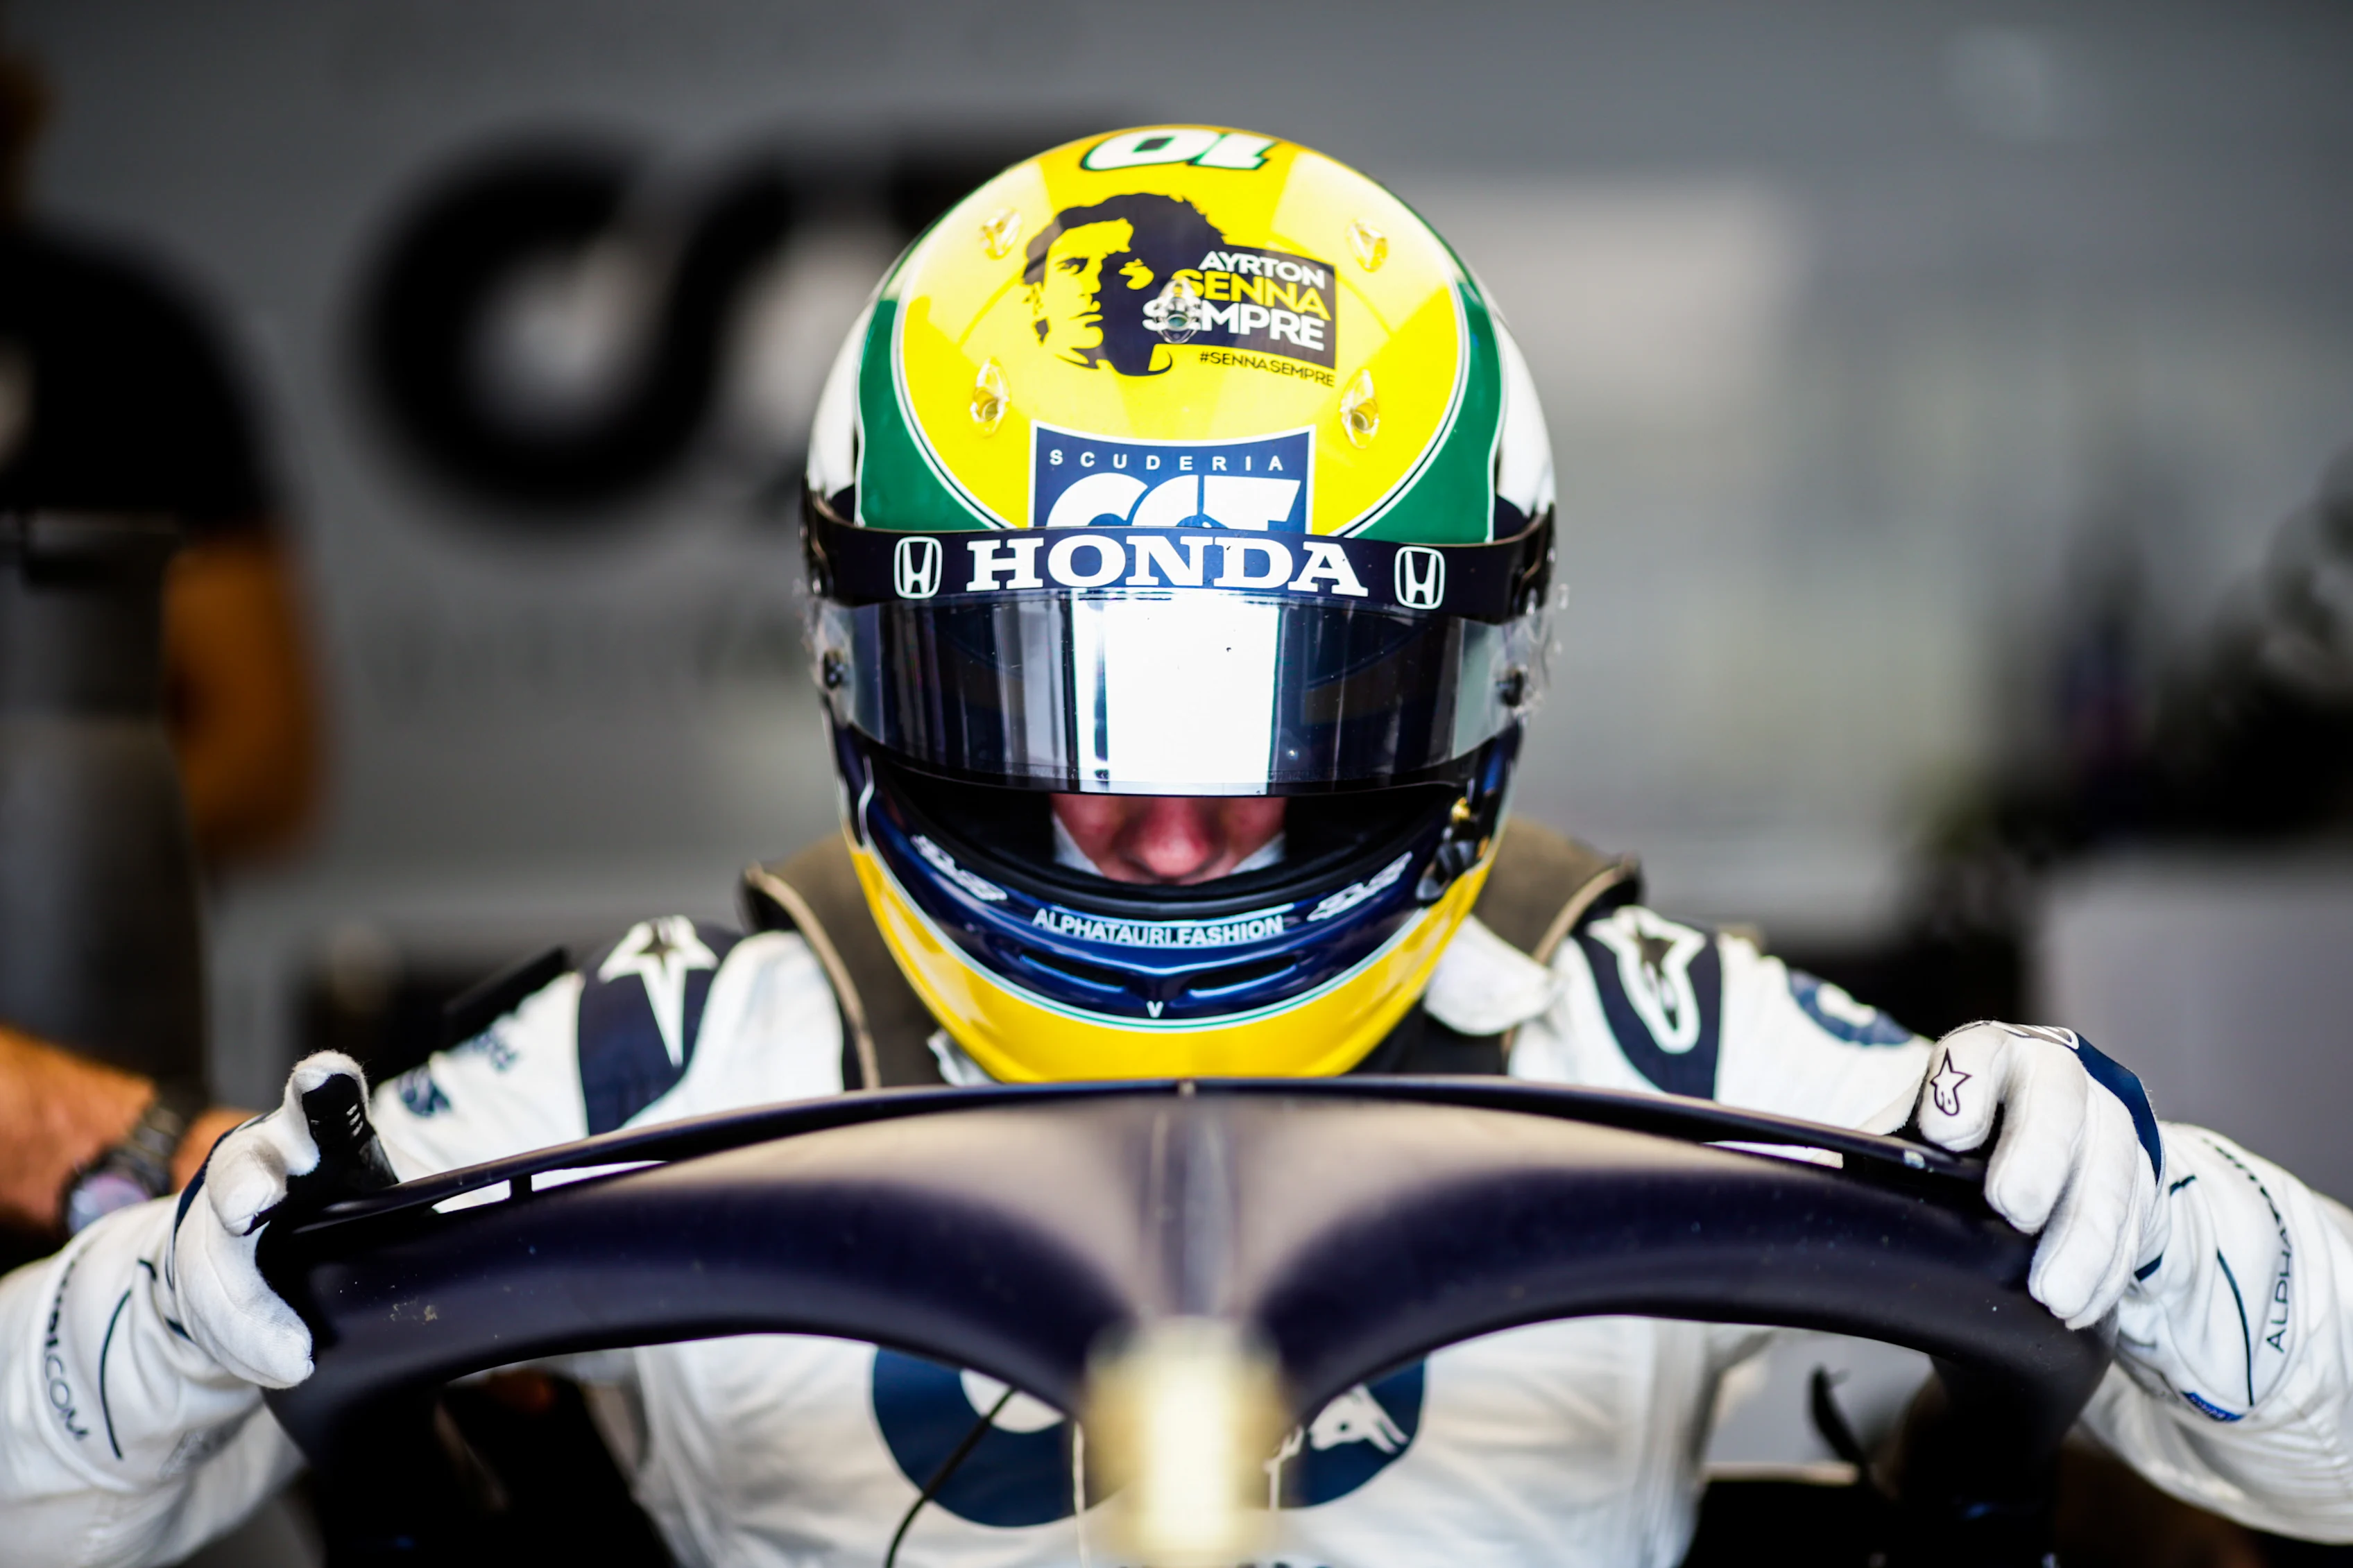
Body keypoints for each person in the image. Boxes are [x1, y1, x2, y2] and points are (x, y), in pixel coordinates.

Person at [6, 126, 2352, 1568]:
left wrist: (2170, 1248)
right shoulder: (665, 1048)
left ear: (1474, 677)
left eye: (1290, 708)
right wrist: (170, 1324)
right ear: (865, 665)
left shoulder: (1664, 1026)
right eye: (1048, 701)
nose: (1159, 825)